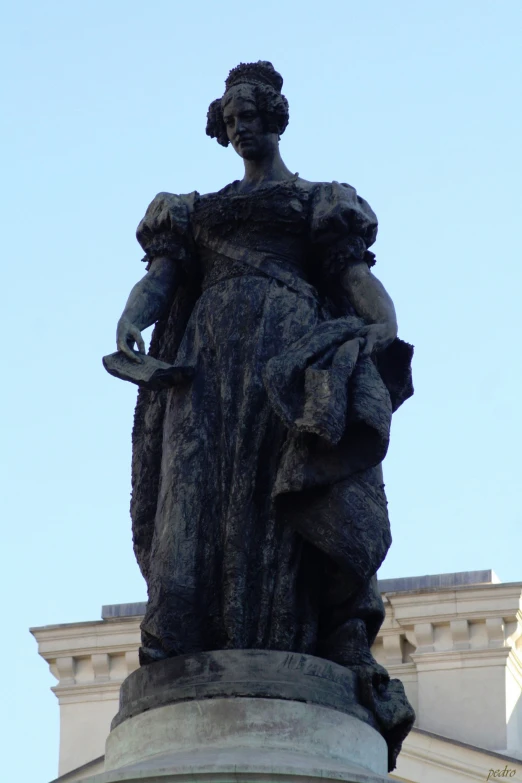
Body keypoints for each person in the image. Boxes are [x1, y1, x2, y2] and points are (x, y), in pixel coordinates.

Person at [114, 61, 414, 766]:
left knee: (279, 505)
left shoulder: (318, 202)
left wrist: (380, 329)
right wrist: (132, 319)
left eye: (254, 113)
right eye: (233, 116)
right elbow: (159, 281)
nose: (243, 124)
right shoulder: (192, 212)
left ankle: (290, 639)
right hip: (206, 371)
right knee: (190, 508)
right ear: (221, 127)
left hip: (287, 368)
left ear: (275, 118)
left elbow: (356, 281)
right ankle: (191, 646)